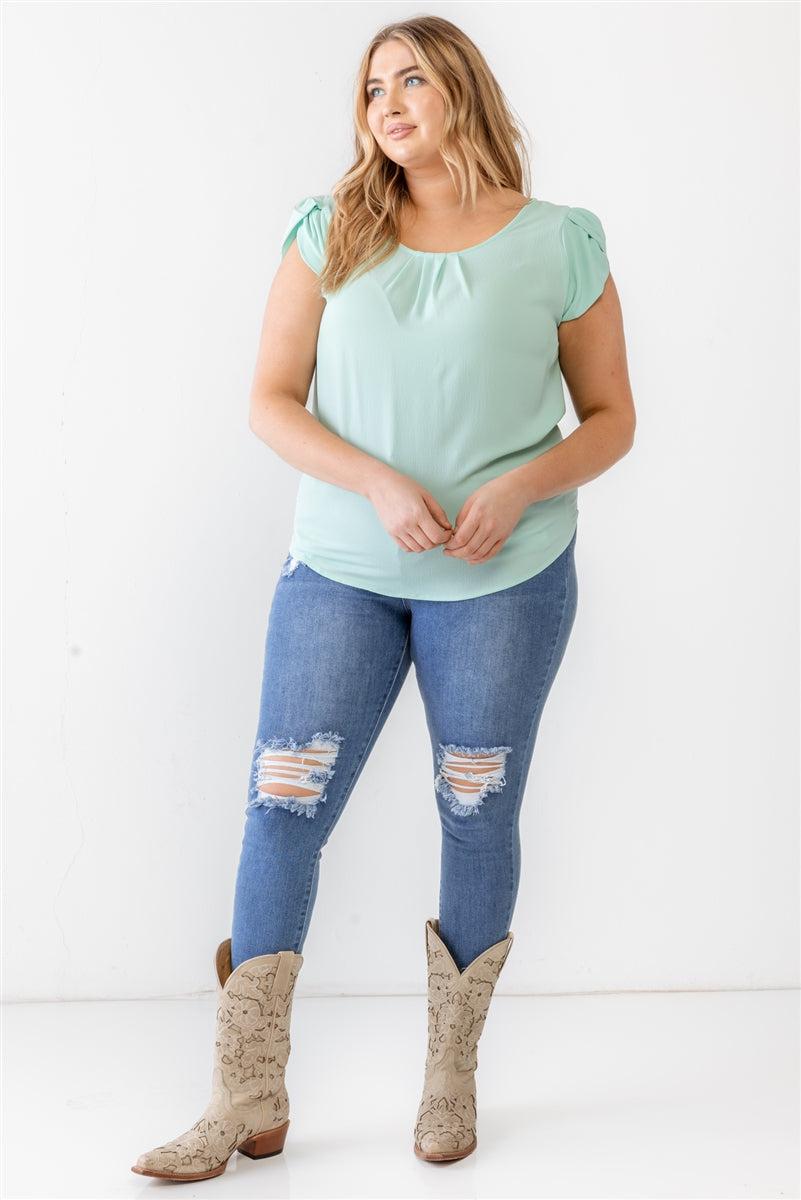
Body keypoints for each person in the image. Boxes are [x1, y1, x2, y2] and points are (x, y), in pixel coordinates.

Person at [132, 12, 636, 1182]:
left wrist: (520, 488)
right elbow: (269, 398)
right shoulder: (331, 231)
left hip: (502, 580)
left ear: (462, 87)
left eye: (411, 79)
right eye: (371, 90)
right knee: (283, 807)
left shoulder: (561, 239)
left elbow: (613, 419)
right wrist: (373, 481)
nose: (389, 103)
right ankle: (244, 1096)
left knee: (477, 809)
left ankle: (450, 1082)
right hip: (343, 575)